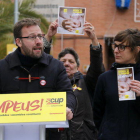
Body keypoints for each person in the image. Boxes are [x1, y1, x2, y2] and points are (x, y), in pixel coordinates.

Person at [0, 18, 76, 139]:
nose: (39, 41)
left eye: (40, 36)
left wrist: (68, 107)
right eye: (32, 37)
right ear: (18, 42)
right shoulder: (2, 68)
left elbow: (68, 93)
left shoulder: (56, 66)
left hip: (48, 135)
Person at [44, 20, 105, 140]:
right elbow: (42, 63)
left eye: (71, 62)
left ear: (77, 66)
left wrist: (94, 40)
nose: (66, 64)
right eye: (63, 62)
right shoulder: (50, 82)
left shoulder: (87, 82)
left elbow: (97, 68)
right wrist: (48, 37)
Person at [93, 28, 140, 140]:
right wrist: (106, 133)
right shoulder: (105, 78)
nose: (116, 51)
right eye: (115, 46)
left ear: (137, 49)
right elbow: (97, 113)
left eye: (122, 47)